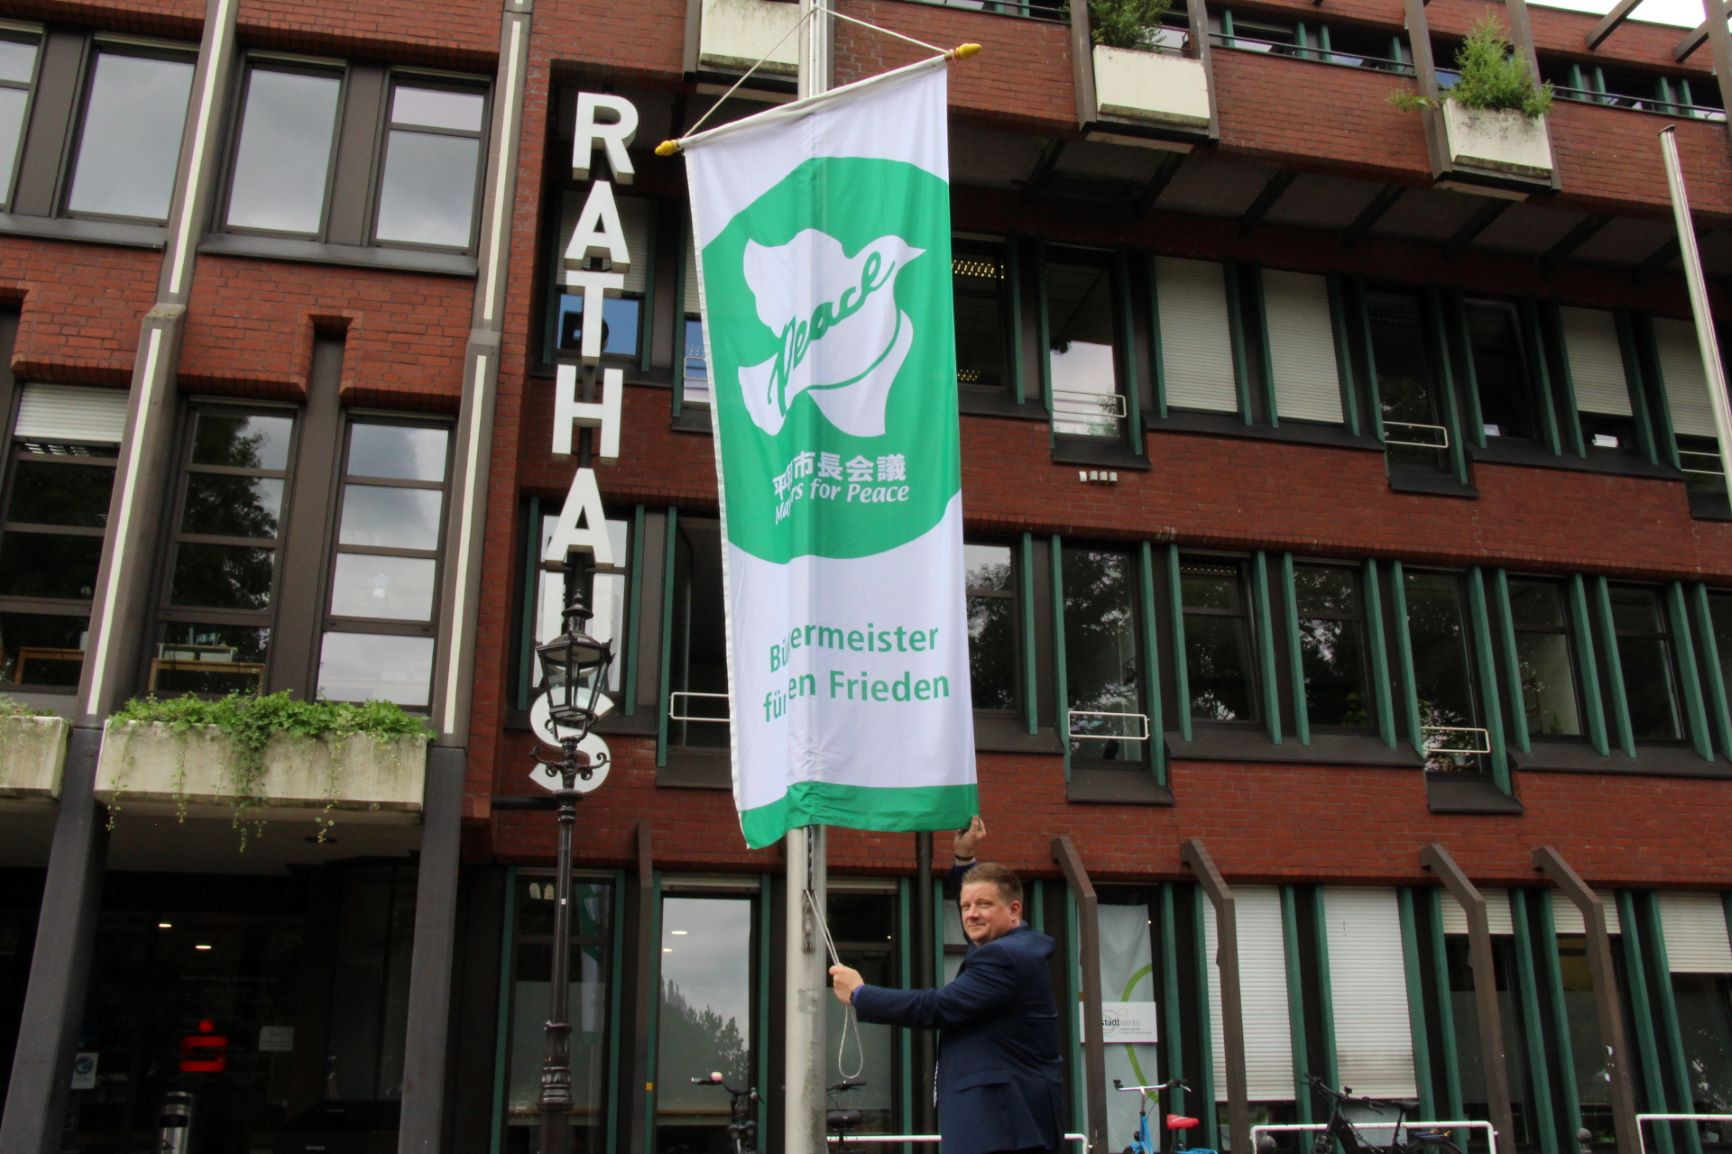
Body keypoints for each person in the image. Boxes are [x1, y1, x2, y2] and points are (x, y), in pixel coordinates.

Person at [828, 818, 1065, 1154]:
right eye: (966, 906)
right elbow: (979, 903)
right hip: (1006, 1124)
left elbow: (938, 1006)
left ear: (1014, 911)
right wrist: (964, 860)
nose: (970, 915)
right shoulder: (1007, 944)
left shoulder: (1004, 957)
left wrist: (861, 994)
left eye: (983, 905)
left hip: (1002, 1129)